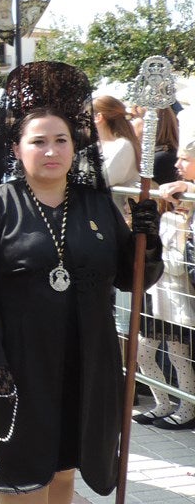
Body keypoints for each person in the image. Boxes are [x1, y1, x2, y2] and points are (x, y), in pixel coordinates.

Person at [0, 61, 164, 501]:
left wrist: (147, 237)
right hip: (18, 362)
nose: (52, 151)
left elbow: (132, 278)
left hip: (85, 359)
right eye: (39, 141)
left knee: (65, 469)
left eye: (61, 140)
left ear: (76, 146)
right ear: (16, 148)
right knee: (22, 477)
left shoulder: (97, 206)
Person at [136, 136, 195, 429]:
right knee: (143, 351)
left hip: (177, 294)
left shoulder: (188, 204)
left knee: (178, 355)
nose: (177, 164)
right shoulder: (174, 201)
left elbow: (176, 262)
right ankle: (163, 403)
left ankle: (187, 408)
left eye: (184, 159)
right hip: (158, 292)